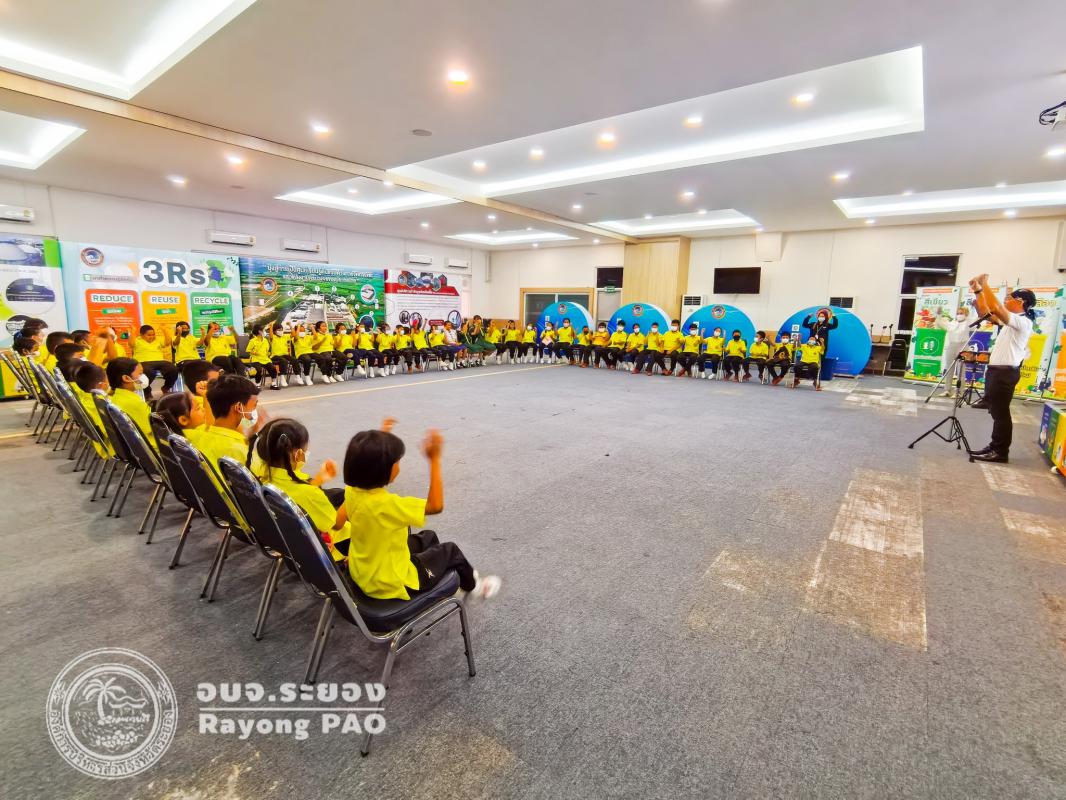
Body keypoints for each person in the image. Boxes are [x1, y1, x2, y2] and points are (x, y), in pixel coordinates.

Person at [342, 425, 500, 600]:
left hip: (363, 570)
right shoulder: (388, 505)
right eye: (397, 462)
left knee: (429, 537)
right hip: (391, 583)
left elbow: (337, 522)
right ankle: (475, 587)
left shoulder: (351, 492)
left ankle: (437, 575)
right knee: (451, 551)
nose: (399, 465)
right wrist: (434, 460)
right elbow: (435, 505)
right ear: (383, 469)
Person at [248, 417, 351, 559]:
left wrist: (319, 480)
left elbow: (298, 494)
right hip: (322, 550)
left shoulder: (260, 473)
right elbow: (336, 525)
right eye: (305, 450)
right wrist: (353, 493)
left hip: (289, 539)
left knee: (337, 494)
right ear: (297, 454)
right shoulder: (310, 493)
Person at [968, 276, 1036, 463]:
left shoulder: (1023, 322)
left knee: (1001, 414)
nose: (1006, 301)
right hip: (996, 372)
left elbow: (997, 308)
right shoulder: (1009, 322)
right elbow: (986, 312)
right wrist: (978, 291)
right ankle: (995, 445)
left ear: (1021, 302)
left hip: (1004, 373)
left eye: (1009, 298)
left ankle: (1000, 451)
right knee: (996, 412)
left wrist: (985, 285)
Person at [196, 373, 266, 469]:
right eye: (254, 405)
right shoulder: (239, 451)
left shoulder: (201, 436)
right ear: (239, 407)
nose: (255, 409)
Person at [105, 357, 155, 443]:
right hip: (150, 446)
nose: (143, 377)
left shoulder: (115, 397)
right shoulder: (134, 403)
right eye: (140, 373)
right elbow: (154, 429)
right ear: (126, 378)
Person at [71, 362, 113, 458]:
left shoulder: (86, 400)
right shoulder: (101, 404)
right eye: (107, 380)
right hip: (113, 447)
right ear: (101, 385)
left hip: (101, 444)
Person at [131, 325, 179, 399]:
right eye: (149, 335)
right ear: (141, 335)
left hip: (159, 361)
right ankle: (147, 391)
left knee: (173, 368)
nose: (152, 336)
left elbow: (168, 343)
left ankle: (166, 387)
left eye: (153, 334)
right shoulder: (137, 340)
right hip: (143, 362)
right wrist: (132, 332)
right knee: (148, 372)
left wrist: (165, 330)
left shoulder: (158, 340)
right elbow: (131, 344)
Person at [940, 304, 977, 397]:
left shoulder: (968, 322)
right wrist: (939, 315)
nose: (959, 315)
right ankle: (947, 390)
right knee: (949, 368)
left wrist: (975, 307)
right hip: (952, 345)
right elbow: (941, 325)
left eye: (961, 313)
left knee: (961, 371)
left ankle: (959, 392)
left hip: (963, 346)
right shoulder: (952, 322)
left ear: (966, 314)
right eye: (958, 313)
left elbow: (976, 320)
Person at [181, 360, 220, 425]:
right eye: (215, 382)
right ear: (201, 385)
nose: (221, 384)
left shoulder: (190, 404)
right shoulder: (206, 409)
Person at [246, 326, 279, 390]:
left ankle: (273, 384)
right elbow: (248, 350)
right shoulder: (252, 341)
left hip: (265, 359)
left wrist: (269, 353)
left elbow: (268, 349)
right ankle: (257, 385)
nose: (264, 332)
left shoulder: (265, 340)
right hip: (256, 359)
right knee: (259, 370)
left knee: (273, 368)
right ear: (259, 332)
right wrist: (254, 352)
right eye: (263, 330)